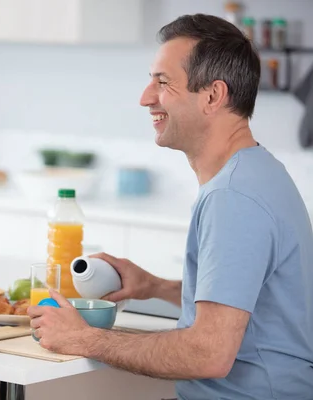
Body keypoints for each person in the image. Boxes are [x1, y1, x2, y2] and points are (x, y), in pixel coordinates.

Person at [28, 14, 313, 400]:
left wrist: (85, 339)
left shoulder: (234, 197)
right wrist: (154, 287)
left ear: (213, 96)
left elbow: (207, 354)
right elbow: (245, 303)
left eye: (162, 83)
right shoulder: (257, 173)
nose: (146, 97)